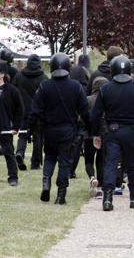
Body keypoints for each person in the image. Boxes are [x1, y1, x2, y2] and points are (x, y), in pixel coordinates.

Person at [90, 55, 134, 211]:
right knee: (133, 165)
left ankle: (107, 198)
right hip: (132, 131)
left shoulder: (105, 89)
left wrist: (96, 134)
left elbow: (95, 114)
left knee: (111, 165)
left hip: (112, 131)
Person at [28, 53, 90, 205]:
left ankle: (46, 182)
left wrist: (30, 128)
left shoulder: (44, 86)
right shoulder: (75, 86)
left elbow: (35, 110)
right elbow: (84, 110)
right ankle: (61, 195)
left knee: (49, 157)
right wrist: (88, 126)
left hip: (49, 129)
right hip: (68, 130)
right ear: (69, 67)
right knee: (64, 161)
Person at [0, 62, 24, 186]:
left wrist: (16, 127)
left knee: (8, 153)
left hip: (4, 128)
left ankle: (13, 177)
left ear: (2, 75)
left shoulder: (11, 90)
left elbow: (20, 108)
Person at [13, 54, 48, 170]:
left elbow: (13, 91)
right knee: (38, 138)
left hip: (23, 111)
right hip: (38, 113)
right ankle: (35, 163)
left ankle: (20, 152)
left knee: (22, 135)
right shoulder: (43, 78)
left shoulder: (19, 76)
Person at [85, 77, 108, 198]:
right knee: (100, 159)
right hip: (103, 132)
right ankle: (100, 185)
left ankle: (92, 177)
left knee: (89, 160)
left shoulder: (87, 99)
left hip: (88, 134)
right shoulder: (106, 99)